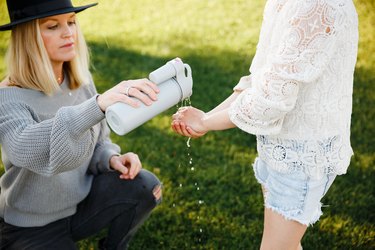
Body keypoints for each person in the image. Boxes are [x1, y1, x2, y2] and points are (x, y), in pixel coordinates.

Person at [172, 0, 358, 249]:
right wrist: (206, 118)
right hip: (278, 148)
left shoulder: (317, 6)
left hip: (302, 158)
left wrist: (205, 121)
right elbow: (262, 78)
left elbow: (271, 100)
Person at [0, 0, 162, 249]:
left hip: (80, 206)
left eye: (72, 22)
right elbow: (26, 147)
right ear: (28, 38)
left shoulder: (80, 82)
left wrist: (109, 159)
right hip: (31, 227)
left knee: (146, 186)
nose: (68, 33)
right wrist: (95, 107)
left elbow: (98, 140)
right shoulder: (8, 96)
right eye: (52, 26)